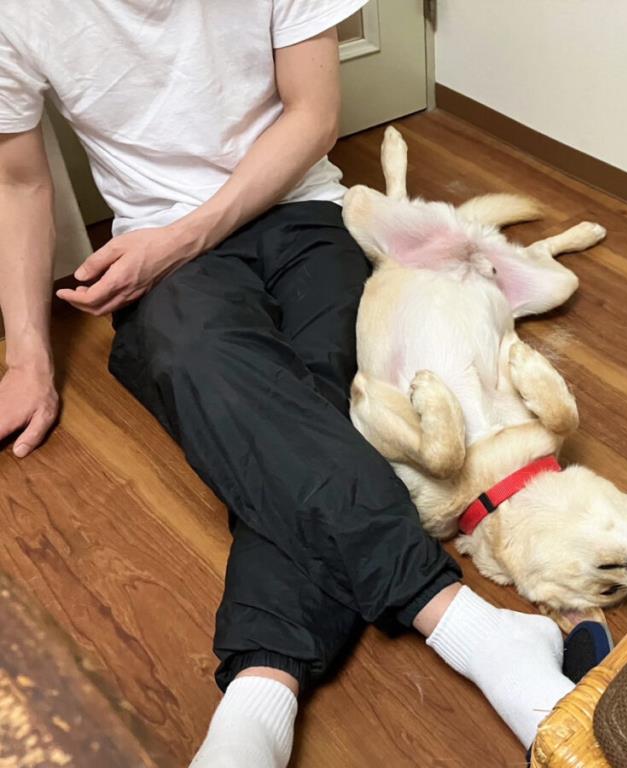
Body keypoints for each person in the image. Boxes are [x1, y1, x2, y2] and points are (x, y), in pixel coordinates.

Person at [0, 3, 588, 765]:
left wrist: (184, 236)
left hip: (303, 212)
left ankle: (260, 691)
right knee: (202, 361)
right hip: (157, 249)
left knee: (311, 405)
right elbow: (18, 183)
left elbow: (312, 117)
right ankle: (469, 625)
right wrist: (28, 359)